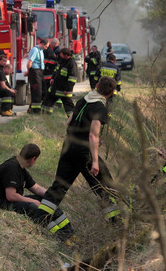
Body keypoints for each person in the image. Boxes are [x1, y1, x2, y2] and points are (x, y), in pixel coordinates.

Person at [33, 77, 122, 224]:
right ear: (111, 92)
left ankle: (40, 217)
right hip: (83, 152)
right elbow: (92, 135)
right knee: (105, 185)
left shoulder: (83, 100)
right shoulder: (99, 107)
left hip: (68, 146)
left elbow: (69, 122)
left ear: (97, 86)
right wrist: (94, 161)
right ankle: (116, 222)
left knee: (59, 185)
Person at [0, 143, 74, 240]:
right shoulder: (11, 168)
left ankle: (68, 232)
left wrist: (52, 196)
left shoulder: (21, 168)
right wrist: (32, 201)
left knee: (49, 202)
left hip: (12, 200)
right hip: (0, 202)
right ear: (33, 159)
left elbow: (35, 188)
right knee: (33, 207)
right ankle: (59, 236)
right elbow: (11, 196)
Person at [41, 48, 78, 116]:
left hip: (64, 90)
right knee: (47, 101)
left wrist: (68, 89)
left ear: (66, 55)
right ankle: (45, 117)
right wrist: (52, 78)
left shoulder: (71, 63)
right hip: (56, 88)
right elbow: (57, 70)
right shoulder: (62, 61)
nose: (60, 56)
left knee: (69, 107)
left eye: (61, 54)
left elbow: (72, 78)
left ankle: (74, 120)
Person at [26, 38, 49, 114]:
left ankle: (32, 107)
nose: (46, 48)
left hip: (40, 72)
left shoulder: (41, 51)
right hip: (35, 71)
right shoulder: (35, 50)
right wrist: (29, 71)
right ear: (42, 44)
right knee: (37, 91)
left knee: (43, 90)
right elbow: (30, 62)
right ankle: (35, 111)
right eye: (46, 46)